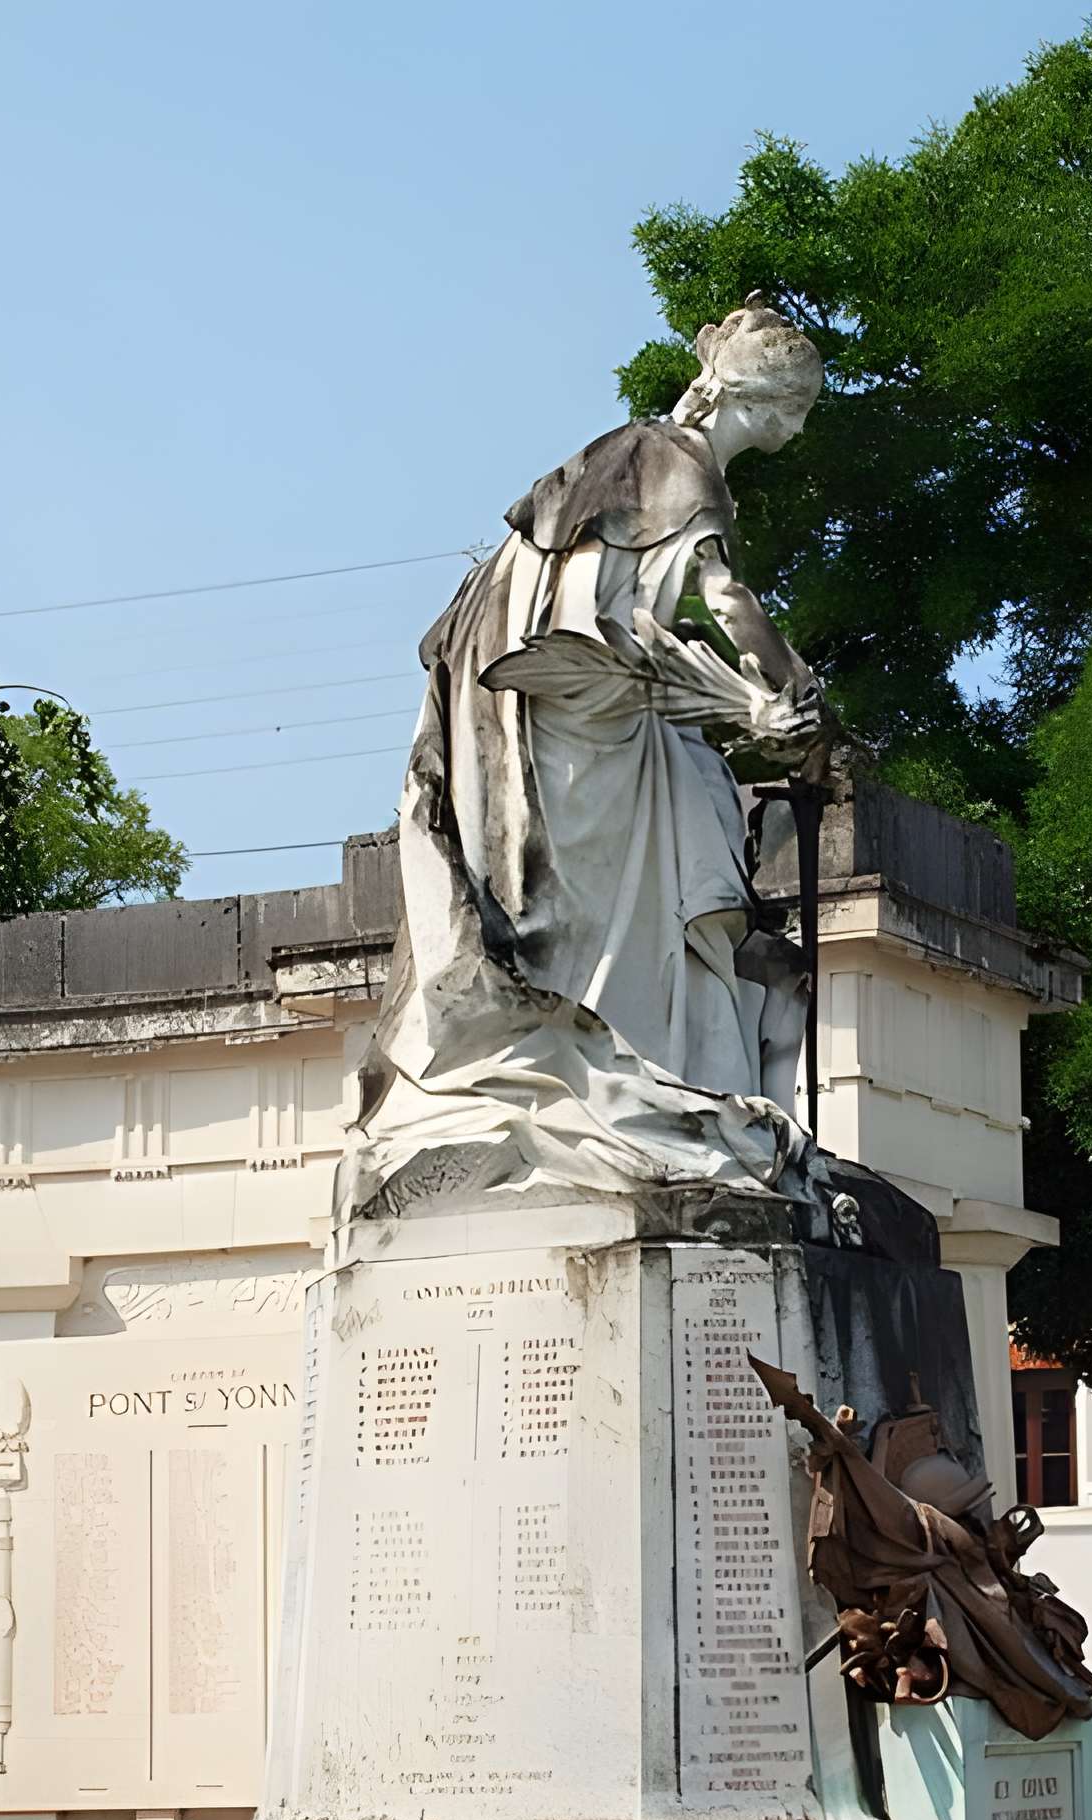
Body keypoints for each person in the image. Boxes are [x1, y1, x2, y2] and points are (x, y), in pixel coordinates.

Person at [342, 298, 835, 1225]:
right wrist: (794, 689)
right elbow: (723, 599)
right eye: (795, 408)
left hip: (554, 718)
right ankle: (625, 1076)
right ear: (757, 401)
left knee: (664, 847)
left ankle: (649, 1077)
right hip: (579, 725)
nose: (799, 427)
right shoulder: (681, 466)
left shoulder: (622, 457)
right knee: (611, 902)